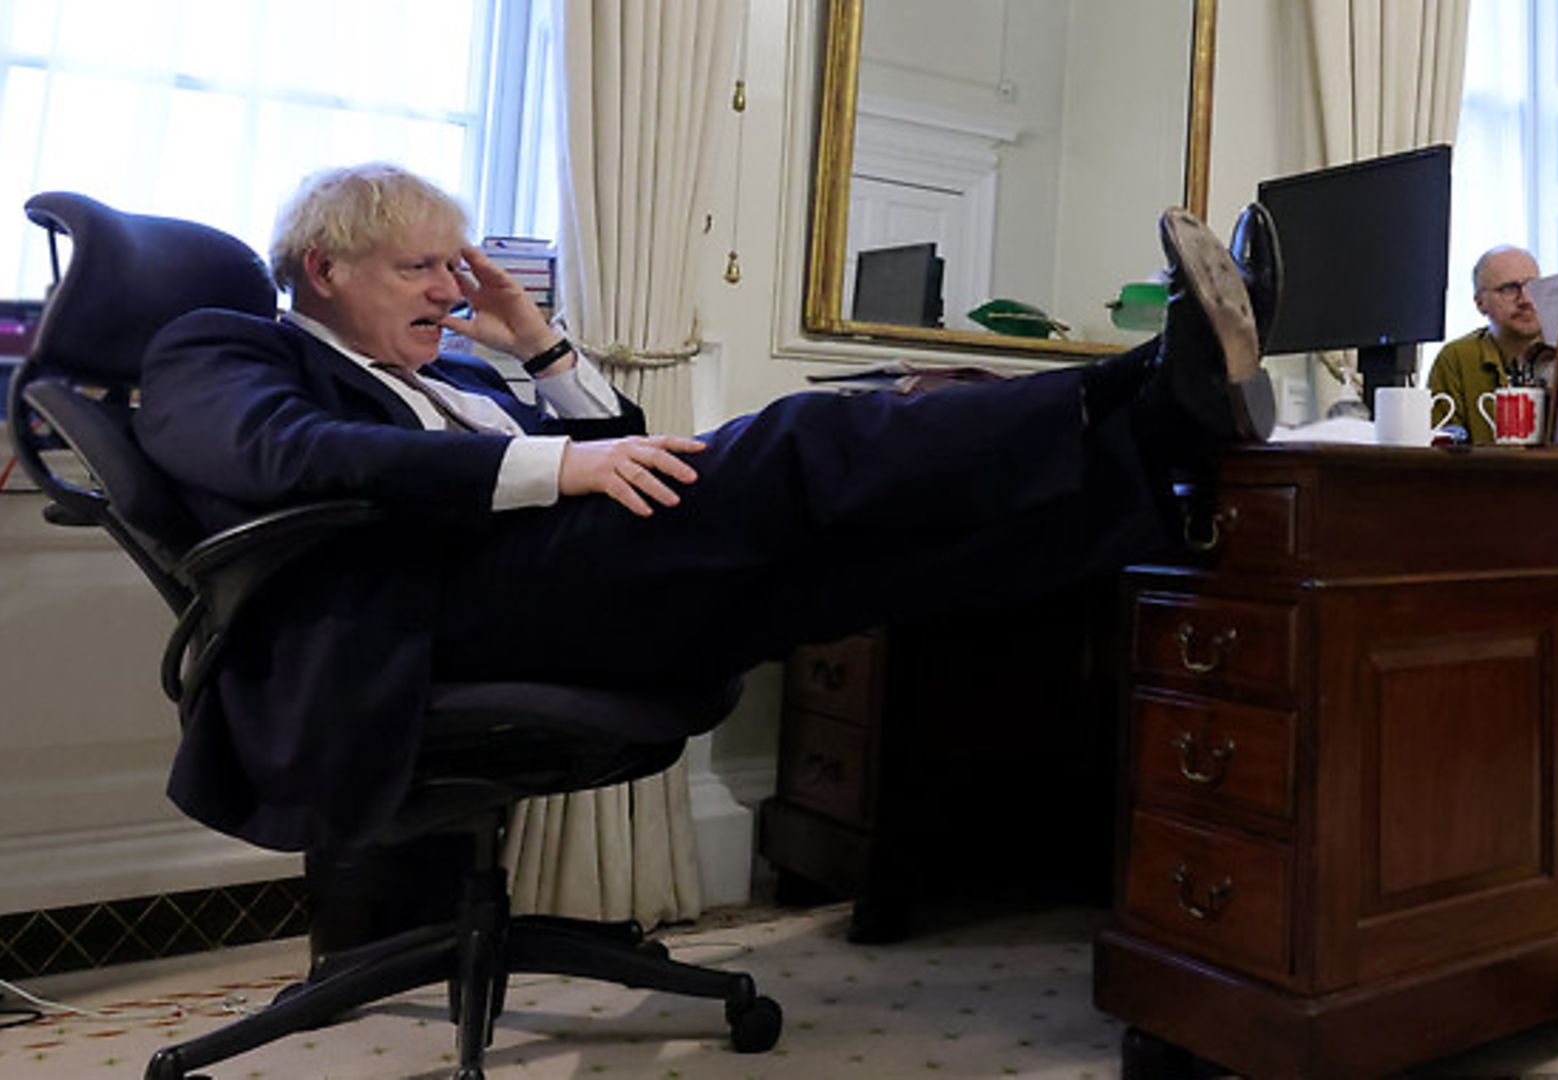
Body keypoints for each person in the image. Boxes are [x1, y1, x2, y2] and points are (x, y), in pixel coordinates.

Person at [132, 163, 1281, 852]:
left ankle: (1160, 463)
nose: (451, 291)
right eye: (419, 271)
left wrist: (537, 349)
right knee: (802, 439)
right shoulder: (220, 347)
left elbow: (624, 466)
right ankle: (1134, 381)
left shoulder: (459, 379)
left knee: (866, 566)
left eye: (456, 268)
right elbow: (288, 456)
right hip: (428, 610)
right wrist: (549, 472)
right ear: (324, 270)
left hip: (547, 582)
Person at [1426, 245, 1548, 445]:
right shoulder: (1457, 358)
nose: (1526, 299)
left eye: (1533, 286)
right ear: (1480, 303)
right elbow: (1440, 447)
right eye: (1510, 289)